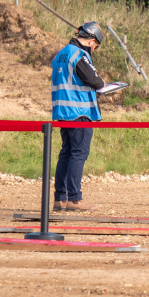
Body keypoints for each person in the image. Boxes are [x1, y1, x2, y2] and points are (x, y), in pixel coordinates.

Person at [51, 21, 106, 211]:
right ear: (92, 41)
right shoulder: (78, 55)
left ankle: (60, 198)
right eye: (95, 46)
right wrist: (102, 82)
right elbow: (93, 81)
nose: (94, 49)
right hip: (79, 113)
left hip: (63, 112)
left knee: (66, 153)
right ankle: (75, 199)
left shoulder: (61, 54)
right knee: (78, 154)